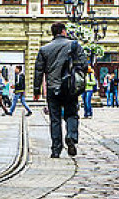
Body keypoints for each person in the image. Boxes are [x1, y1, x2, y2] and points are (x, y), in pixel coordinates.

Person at [34, 22, 88, 158]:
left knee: (55, 119)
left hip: (53, 88)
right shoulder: (74, 45)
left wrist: (36, 91)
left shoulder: (44, 49)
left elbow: (38, 72)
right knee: (71, 114)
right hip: (70, 87)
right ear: (64, 31)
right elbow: (84, 65)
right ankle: (71, 136)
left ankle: (56, 149)